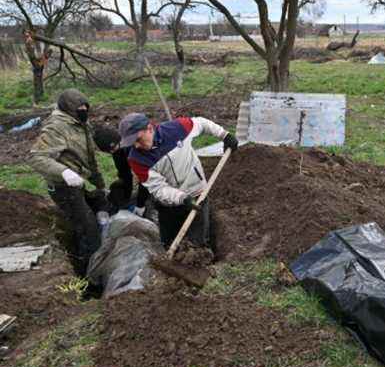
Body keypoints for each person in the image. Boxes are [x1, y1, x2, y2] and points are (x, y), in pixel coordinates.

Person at [118, 113, 238, 248]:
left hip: (197, 195)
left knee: (198, 243)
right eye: (132, 143)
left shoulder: (177, 128)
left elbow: (201, 123)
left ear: (150, 129)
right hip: (168, 206)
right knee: (169, 244)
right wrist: (181, 197)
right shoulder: (136, 159)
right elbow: (158, 188)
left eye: (138, 139)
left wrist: (224, 135)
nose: (136, 146)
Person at [29, 89, 108, 274]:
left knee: (101, 214)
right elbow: (36, 158)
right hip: (64, 187)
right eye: (79, 108)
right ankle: (88, 277)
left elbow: (89, 156)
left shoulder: (80, 123)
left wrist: (99, 185)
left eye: (85, 107)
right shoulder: (56, 127)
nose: (84, 111)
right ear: (69, 109)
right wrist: (64, 172)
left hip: (81, 181)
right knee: (88, 230)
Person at [93, 126, 150, 215]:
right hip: (141, 176)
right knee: (118, 186)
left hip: (156, 173)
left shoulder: (136, 146)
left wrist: (140, 205)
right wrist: (126, 199)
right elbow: (125, 174)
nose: (112, 152)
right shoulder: (117, 153)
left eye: (113, 148)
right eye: (109, 151)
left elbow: (146, 177)